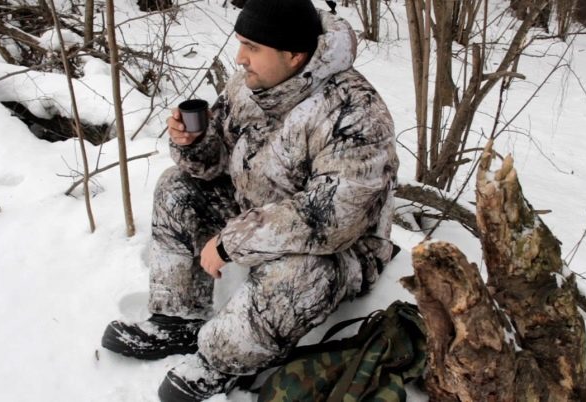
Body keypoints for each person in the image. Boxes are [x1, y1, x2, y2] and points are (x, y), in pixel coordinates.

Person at [101, 0, 399, 400]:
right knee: (177, 187)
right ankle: (178, 318)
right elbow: (219, 160)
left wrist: (232, 241)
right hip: (258, 213)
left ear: (294, 56)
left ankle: (220, 361)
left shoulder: (355, 112)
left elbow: (330, 221)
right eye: (241, 43)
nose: (240, 58)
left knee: (301, 273)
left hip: (341, 250)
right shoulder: (249, 84)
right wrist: (194, 143)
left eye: (253, 47)